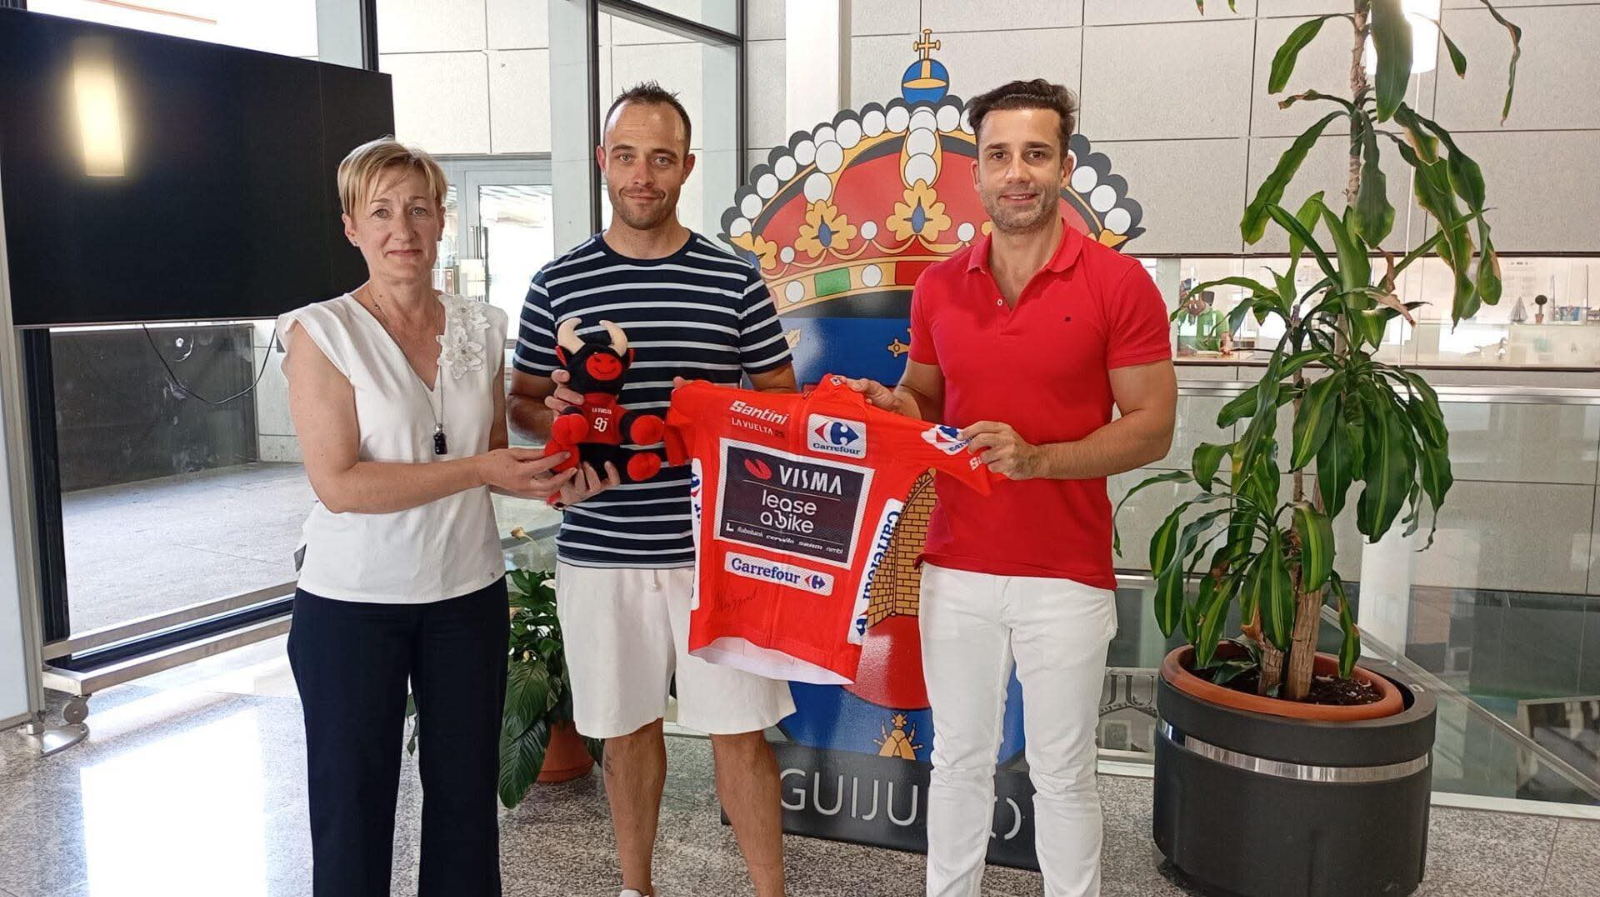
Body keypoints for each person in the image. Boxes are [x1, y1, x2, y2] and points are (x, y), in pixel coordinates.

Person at [849, 80, 1178, 897]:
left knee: (1063, 773)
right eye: (998, 155)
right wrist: (895, 405)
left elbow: (1153, 427)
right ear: (977, 173)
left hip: (1065, 573)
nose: (1016, 172)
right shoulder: (939, 286)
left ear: (1064, 166)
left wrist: (1039, 460)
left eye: (1035, 153)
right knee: (958, 759)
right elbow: (926, 398)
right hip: (955, 564)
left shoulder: (1119, 284)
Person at [507, 83, 798, 897]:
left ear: (687, 167)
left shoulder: (735, 279)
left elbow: (782, 401)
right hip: (600, 547)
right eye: (628, 156)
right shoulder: (557, 282)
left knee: (741, 730)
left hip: (719, 552)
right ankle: (636, 888)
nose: (643, 175)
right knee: (625, 732)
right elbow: (521, 401)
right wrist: (555, 417)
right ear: (603, 161)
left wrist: (719, 419)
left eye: (661, 158)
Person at [278, 137, 583, 897]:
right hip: (351, 605)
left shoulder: (482, 325)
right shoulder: (320, 333)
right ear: (351, 226)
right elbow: (340, 484)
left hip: (465, 596)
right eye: (380, 211)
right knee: (352, 811)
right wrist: (479, 470)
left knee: (466, 809)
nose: (402, 229)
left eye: (418, 209)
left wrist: (555, 471)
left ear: (443, 219)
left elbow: (491, 452)